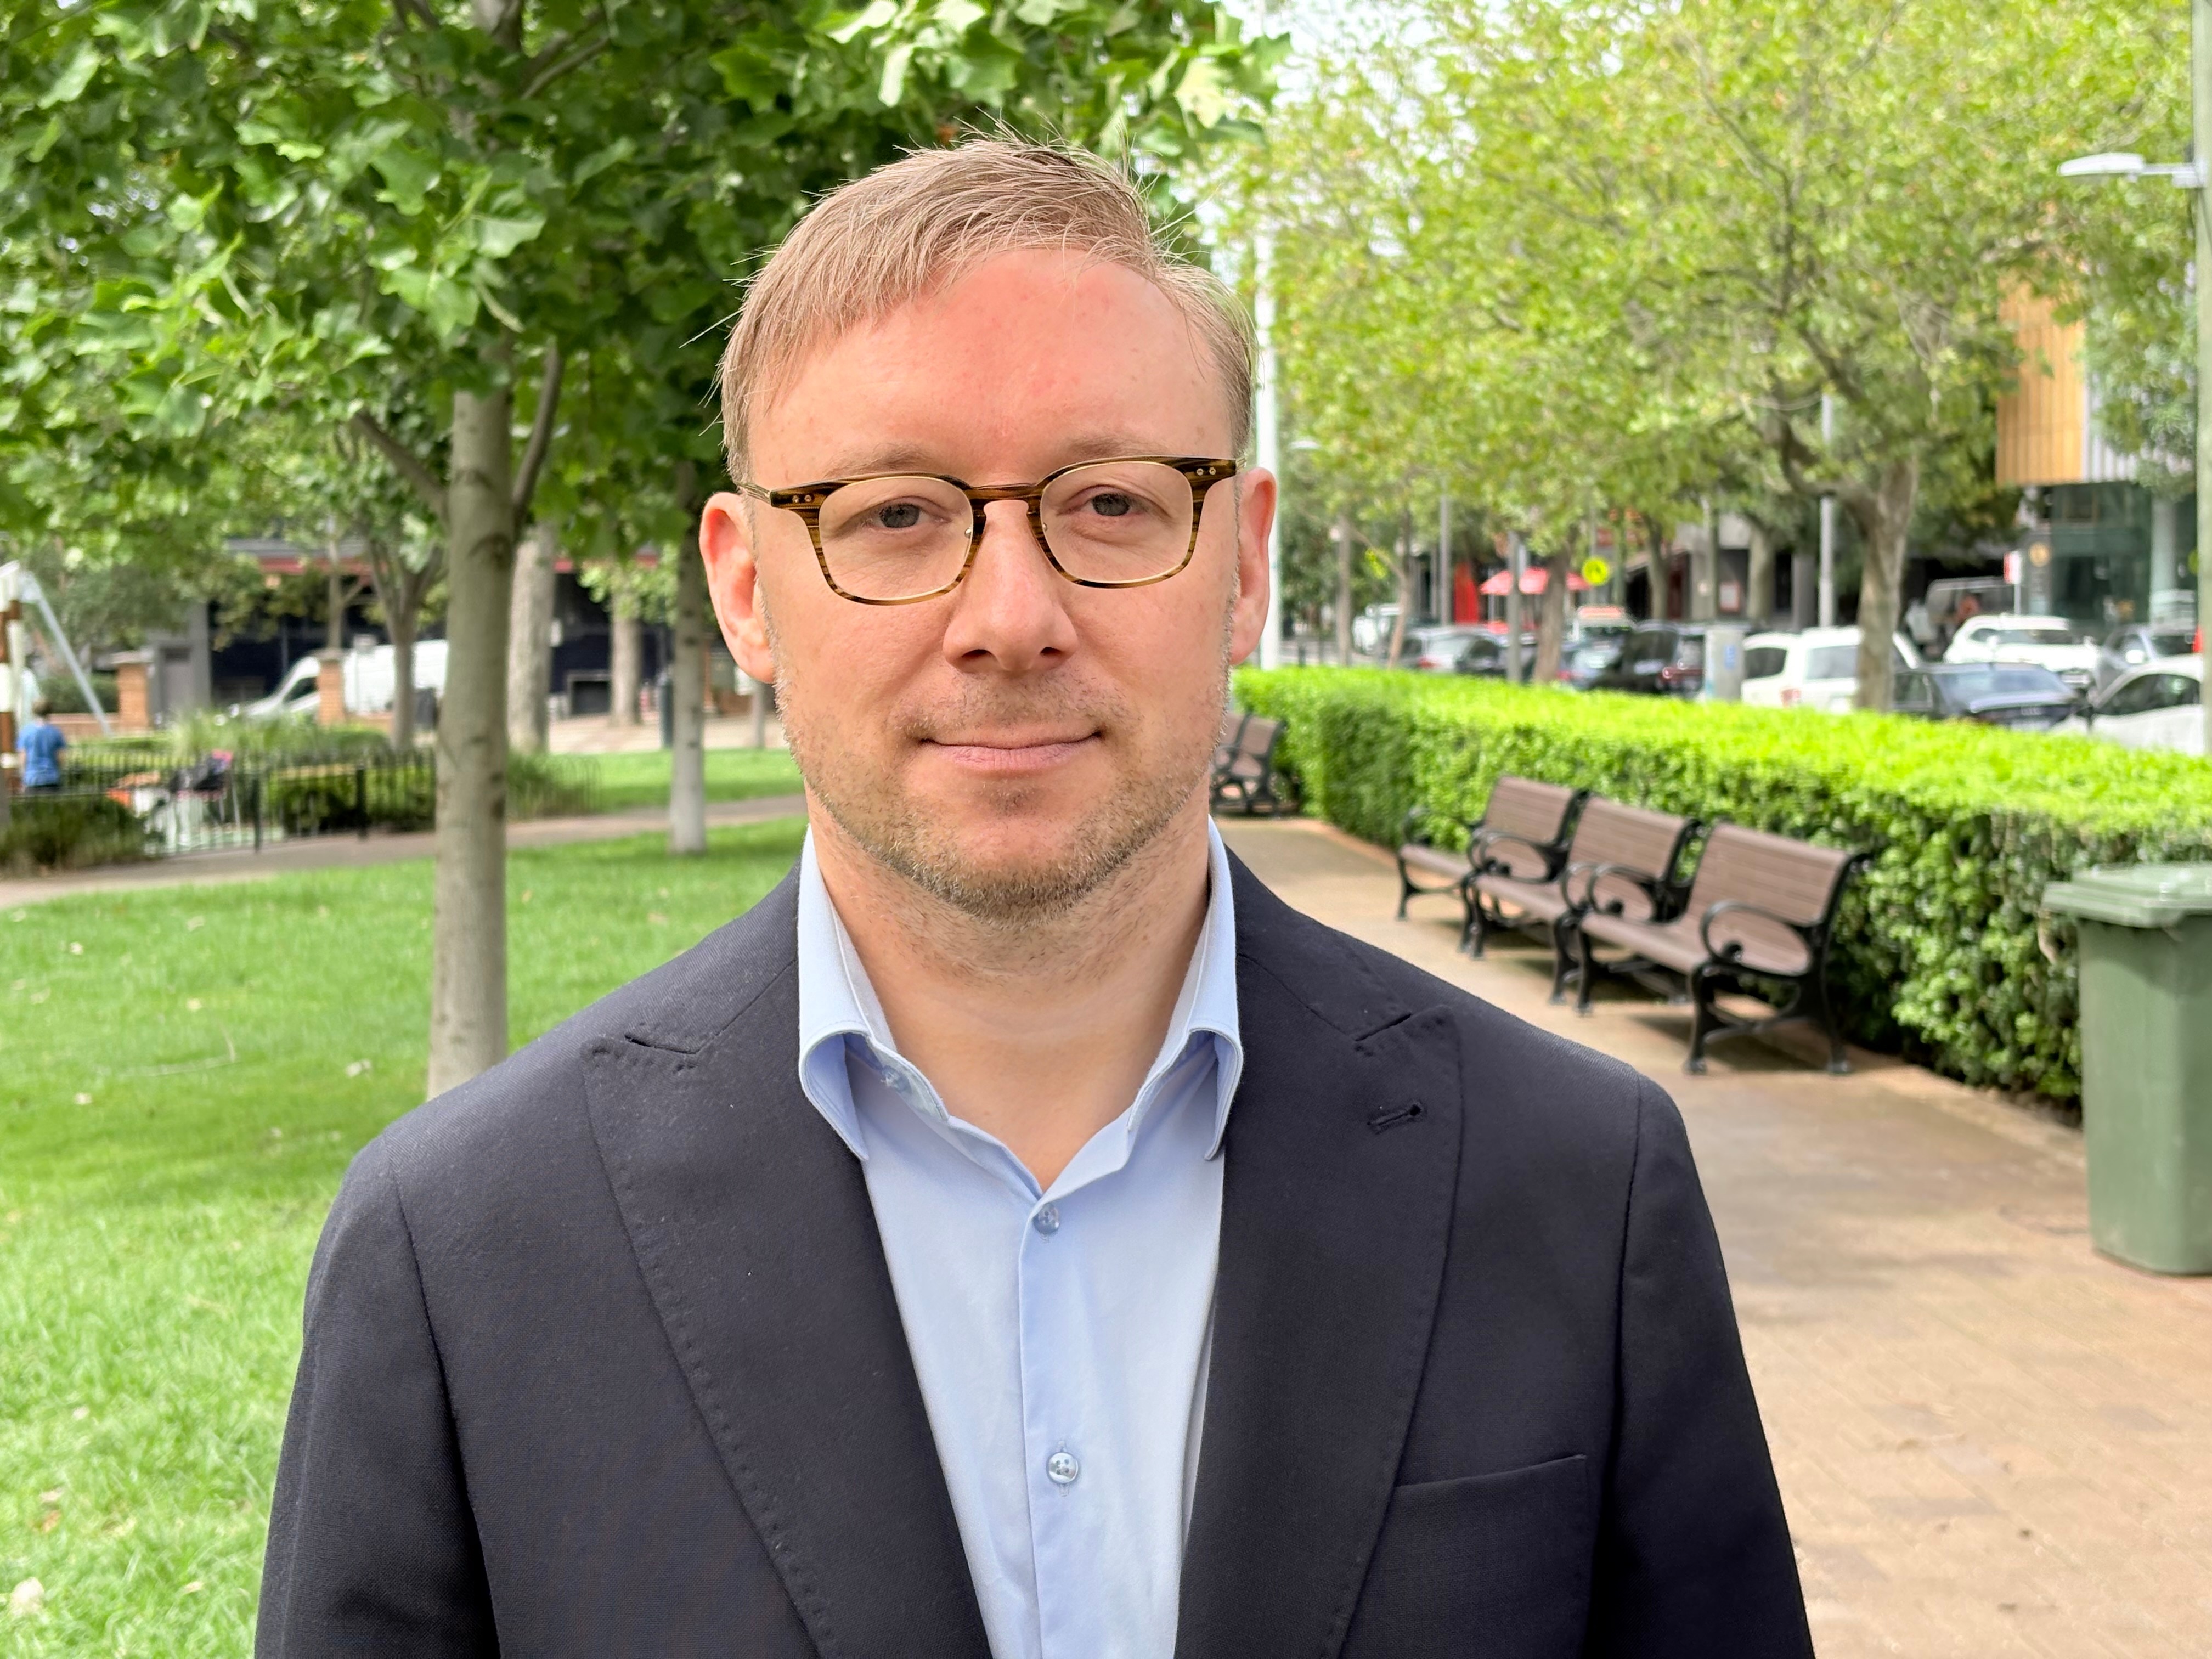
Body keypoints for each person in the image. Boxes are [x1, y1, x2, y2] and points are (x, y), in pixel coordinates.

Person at [258, 139, 1810, 1659]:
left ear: (1246, 560)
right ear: (745, 591)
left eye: (1114, 503)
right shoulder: (461, 1250)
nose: (1011, 619)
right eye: (893, 515)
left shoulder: (1576, 1187)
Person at [18, 698, 65, 793]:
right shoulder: (56, 732)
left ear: (33, 712)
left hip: (32, 778)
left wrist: (24, 777)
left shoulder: (26, 732)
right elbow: (60, 757)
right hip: (51, 778)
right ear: (49, 712)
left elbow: (23, 757)